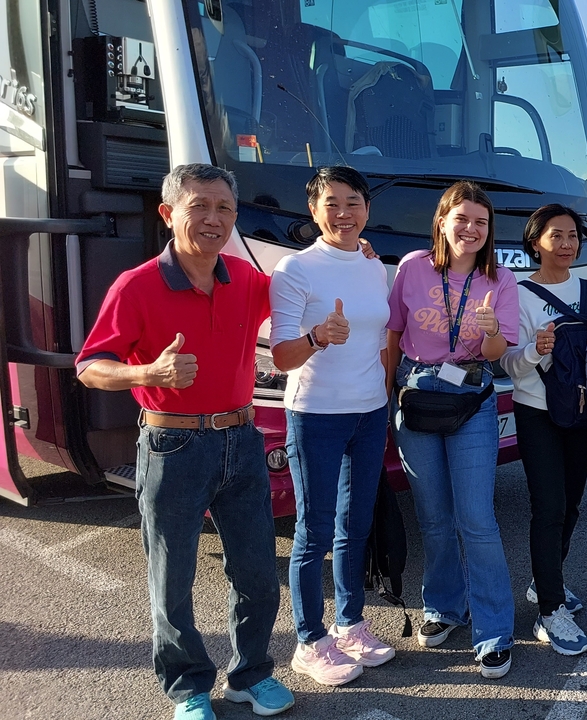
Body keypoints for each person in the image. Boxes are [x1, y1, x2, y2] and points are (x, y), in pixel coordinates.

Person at [76, 164, 296, 719]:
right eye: (200, 206)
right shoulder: (137, 285)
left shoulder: (244, 278)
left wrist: (353, 251)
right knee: (171, 579)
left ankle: (250, 675)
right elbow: (89, 368)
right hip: (172, 446)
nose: (214, 219)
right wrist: (146, 373)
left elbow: (302, 287)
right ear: (169, 213)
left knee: (255, 572)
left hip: (241, 440)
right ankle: (188, 688)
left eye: (225, 208)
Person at [387, 180, 519, 679]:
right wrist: (384, 397)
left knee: (477, 521)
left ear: (489, 231)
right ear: (442, 221)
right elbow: (395, 334)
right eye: (461, 218)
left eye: (480, 222)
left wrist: (489, 333)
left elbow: (496, 353)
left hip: (471, 402)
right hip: (416, 399)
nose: (470, 228)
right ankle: (444, 607)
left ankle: (493, 632)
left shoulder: (499, 280)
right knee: (434, 517)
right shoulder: (413, 268)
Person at [268, 166, 393, 686]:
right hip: (316, 411)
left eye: (354, 202)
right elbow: (279, 355)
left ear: (367, 207)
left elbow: (383, 338)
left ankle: (349, 623)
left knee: (355, 525)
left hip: (369, 411)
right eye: (332, 203)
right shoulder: (295, 270)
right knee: (313, 529)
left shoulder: (373, 263)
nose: (344, 213)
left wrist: (383, 396)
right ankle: (308, 639)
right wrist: (318, 336)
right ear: (313, 210)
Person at [500, 204, 587, 656]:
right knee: (549, 507)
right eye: (556, 235)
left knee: (573, 504)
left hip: (580, 411)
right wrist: (536, 350)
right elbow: (507, 362)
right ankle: (550, 609)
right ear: (535, 241)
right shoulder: (516, 292)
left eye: (573, 235)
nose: (566, 244)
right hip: (536, 409)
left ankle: (546, 583)